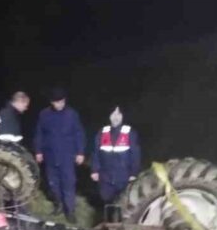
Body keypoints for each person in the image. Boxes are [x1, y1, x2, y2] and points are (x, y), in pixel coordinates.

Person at [34, 87, 86, 222]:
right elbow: (39, 133)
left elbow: (79, 133)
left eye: (62, 101)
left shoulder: (72, 114)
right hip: (50, 155)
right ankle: (59, 205)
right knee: (53, 184)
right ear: (52, 102)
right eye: (57, 102)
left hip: (67, 155)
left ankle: (70, 211)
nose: (60, 104)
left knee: (68, 183)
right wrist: (38, 151)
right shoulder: (44, 114)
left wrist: (80, 152)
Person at [90, 106, 142, 204]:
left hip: (124, 177)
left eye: (119, 114)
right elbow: (96, 153)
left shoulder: (130, 133)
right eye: (113, 114)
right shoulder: (102, 132)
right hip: (105, 177)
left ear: (123, 116)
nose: (116, 117)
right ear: (109, 116)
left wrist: (134, 173)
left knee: (123, 205)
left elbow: (135, 155)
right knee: (106, 203)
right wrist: (94, 170)